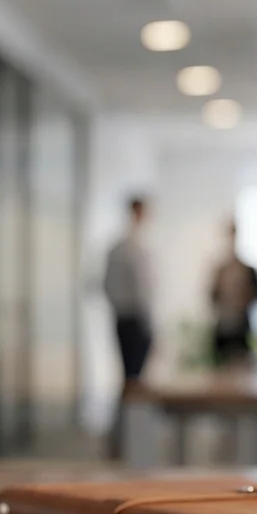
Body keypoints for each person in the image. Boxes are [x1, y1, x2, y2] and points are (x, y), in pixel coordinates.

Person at [103, 196, 154, 462]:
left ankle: (123, 439)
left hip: (124, 319)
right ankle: (126, 443)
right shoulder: (128, 248)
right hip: (132, 320)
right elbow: (140, 292)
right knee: (132, 381)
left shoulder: (122, 247)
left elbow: (106, 286)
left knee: (130, 380)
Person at [209, 221, 257, 365]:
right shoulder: (220, 269)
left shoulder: (247, 270)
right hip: (223, 328)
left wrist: (242, 298)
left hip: (240, 329)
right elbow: (211, 296)